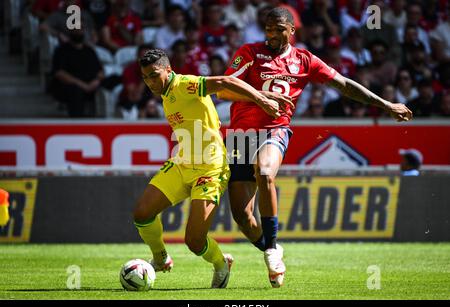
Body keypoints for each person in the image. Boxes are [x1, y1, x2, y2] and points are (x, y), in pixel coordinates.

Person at [218, 7, 412, 288]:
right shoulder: (249, 52)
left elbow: (344, 84)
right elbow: (224, 89)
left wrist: (386, 104)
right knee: (243, 218)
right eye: (268, 29)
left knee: (265, 171)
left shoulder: (304, 60)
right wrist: (261, 96)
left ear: (292, 31)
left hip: (275, 130)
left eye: (278, 29)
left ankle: (271, 248)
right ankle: (272, 248)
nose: (271, 34)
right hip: (240, 136)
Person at [133, 48, 280, 288]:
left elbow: (224, 81)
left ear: (168, 70)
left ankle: (221, 263)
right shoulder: (165, 91)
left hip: (210, 169)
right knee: (142, 213)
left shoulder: (185, 84)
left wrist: (260, 98)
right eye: (145, 77)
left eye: (154, 75)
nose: (150, 82)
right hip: (182, 163)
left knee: (193, 241)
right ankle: (160, 258)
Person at [51, 27, 104, 117]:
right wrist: (83, 85)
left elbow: (100, 71)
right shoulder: (61, 50)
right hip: (71, 85)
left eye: (81, 29)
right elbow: (59, 73)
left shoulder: (89, 50)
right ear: (70, 31)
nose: (79, 32)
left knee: (111, 82)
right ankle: (77, 120)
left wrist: (97, 81)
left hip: (91, 83)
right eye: (76, 30)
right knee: (76, 91)